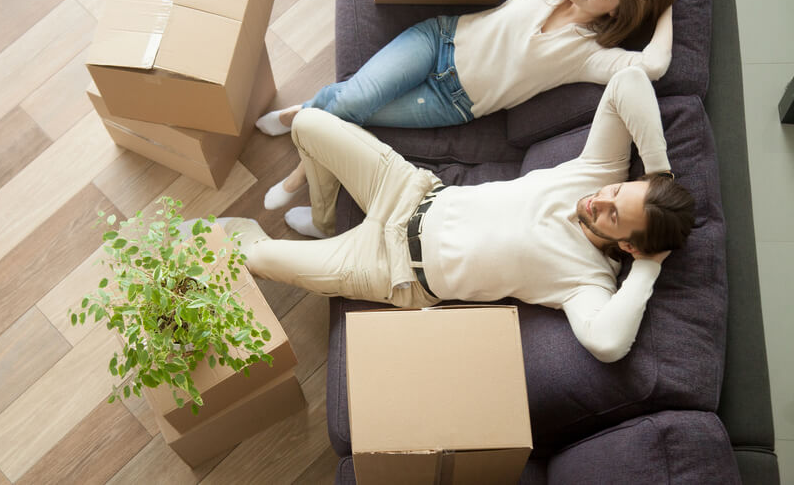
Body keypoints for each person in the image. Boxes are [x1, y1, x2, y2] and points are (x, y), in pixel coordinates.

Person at [256, 0, 683, 218]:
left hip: (450, 103)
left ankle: (302, 118)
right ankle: (300, 176)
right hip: (436, 41)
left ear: (615, 12)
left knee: (352, 112)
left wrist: (663, 7)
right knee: (351, 101)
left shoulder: (589, 55)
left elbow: (654, 65)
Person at [229, 66, 695, 363]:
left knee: (257, 259)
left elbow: (609, 345)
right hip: (407, 191)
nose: (600, 200)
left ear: (629, 246)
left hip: (392, 270)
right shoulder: (597, 173)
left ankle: (316, 236)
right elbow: (628, 81)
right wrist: (659, 172)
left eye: (614, 215)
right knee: (308, 123)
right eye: (618, 191)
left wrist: (649, 267)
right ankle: (326, 219)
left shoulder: (588, 283)